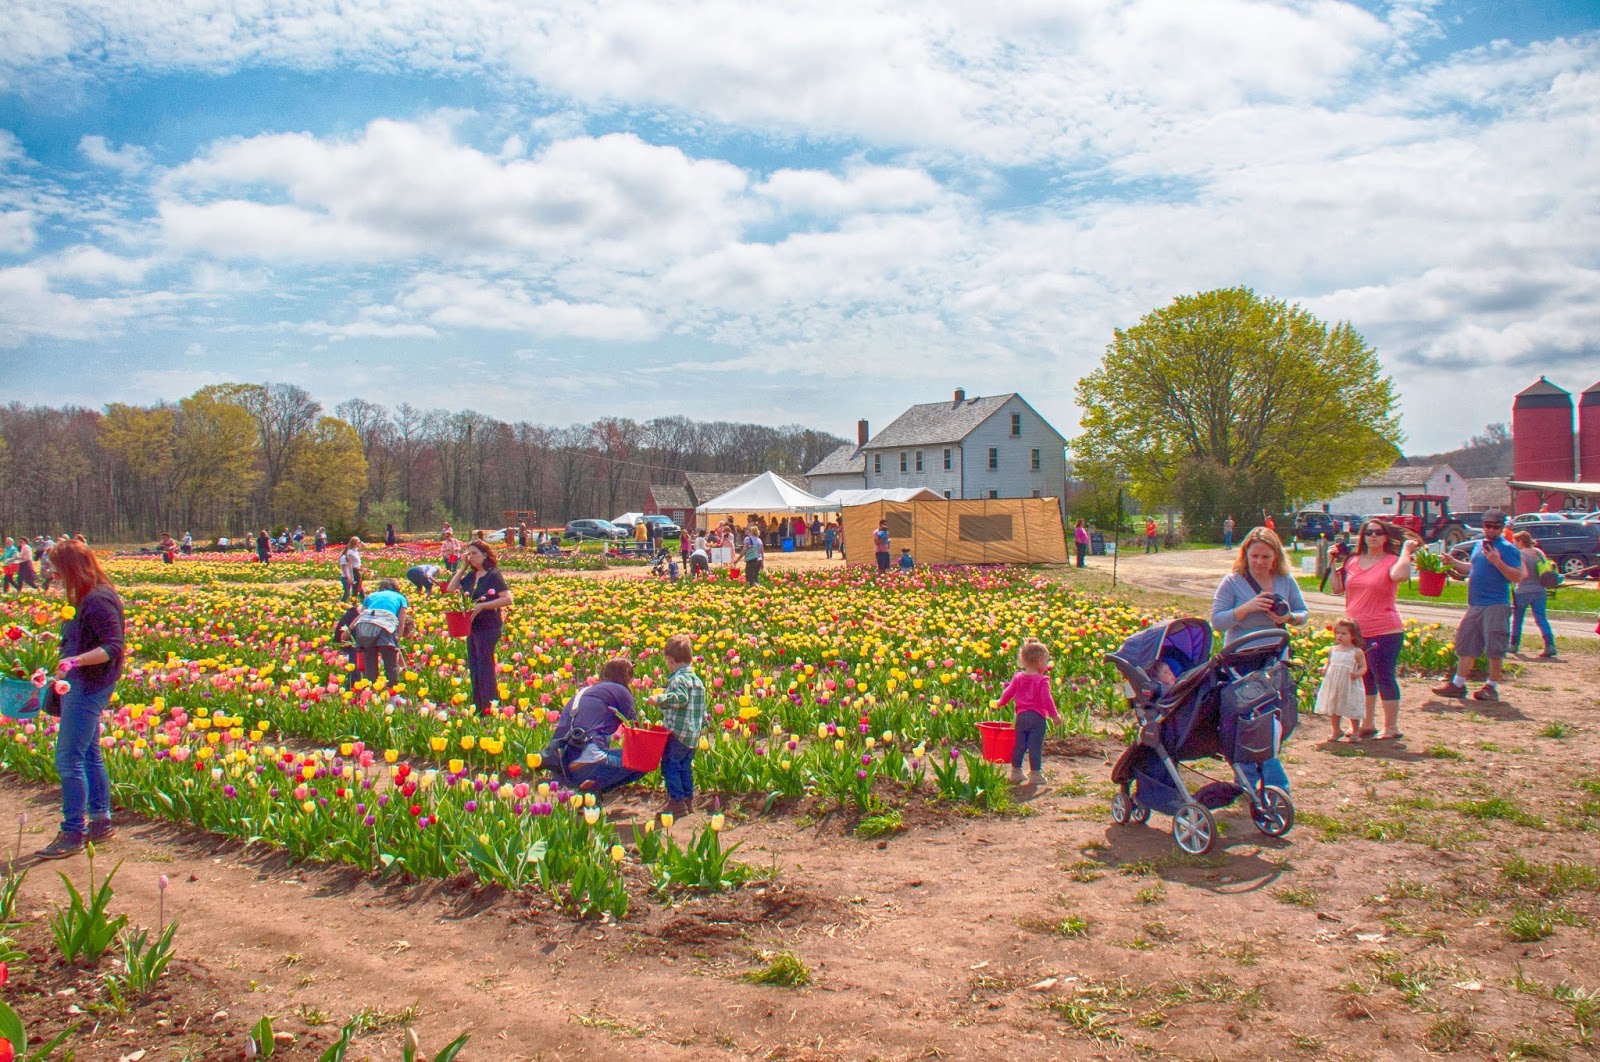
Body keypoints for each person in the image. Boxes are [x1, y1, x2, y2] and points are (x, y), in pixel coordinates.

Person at [37, 539, 125, 859]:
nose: (54, 575)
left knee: (68, 757)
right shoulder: (84, 597)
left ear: (72, 568)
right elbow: (82, 638)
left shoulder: (99, 599)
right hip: (79, 682)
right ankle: (100, 823)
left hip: (89, 685)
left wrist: (74, 662)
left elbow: (113, 647)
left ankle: (73, 831)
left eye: (58, 569)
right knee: (88, 753)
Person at [1211, 526, 1307, 791]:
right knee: (1251, 719)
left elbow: (1303, 612)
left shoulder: (1285, 581)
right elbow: (1217, 621)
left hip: (1275, 657)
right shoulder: (1232, 582)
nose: (1260, 562)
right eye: (1255, 556)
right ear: (1245, 555)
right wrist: (1246, 609)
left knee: (1275, 719)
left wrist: (1288, 618)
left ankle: (1263, 775)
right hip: (1242, 659)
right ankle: (1254, 777)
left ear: (1275, 556)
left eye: (1266, 557)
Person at [1326, 519, 1418, 740]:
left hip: (1385, 629)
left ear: (1386, 537)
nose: (1373, 536)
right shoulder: (1353, 561)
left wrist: (1406, 550)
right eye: (1368, 533)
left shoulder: (1392, 561)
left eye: (1378, 532)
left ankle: (1391, 726)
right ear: (1363, 537)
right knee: (1362, 678)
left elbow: (1401, 575)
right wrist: (1330, 563)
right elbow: (1337, 588)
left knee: (1383, 675)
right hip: (1356, 631)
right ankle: (1367, 723)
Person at [1431, 510, 1523, 703]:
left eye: (1495, 526)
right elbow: (1472, 569)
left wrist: (1498, 562)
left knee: (1494, 646)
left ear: (1502, 526)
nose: (1490, 530)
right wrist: (1454, 562)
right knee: (1466, 644)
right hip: (1476, 603)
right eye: (1487, 525)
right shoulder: (1478, 545)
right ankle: (1458, 684)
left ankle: (1491, 686)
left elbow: (1517, 576)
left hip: (1496, 603)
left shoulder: (1508, 548)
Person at [544, 657, 643, 794]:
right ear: (627, 677)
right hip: (590, 765)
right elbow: (636, 730)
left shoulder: (583, 693)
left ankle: (588, 792)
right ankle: (593, 789)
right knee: (643, 761)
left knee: (610, 754)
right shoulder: (621, 691)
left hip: (561, 770)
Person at [448, 541, 512, 714]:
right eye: (469, 554)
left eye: (475, 553)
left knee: (485, 666)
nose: (471, 557)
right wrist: (462, 567)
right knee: (475, 666)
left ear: (485, 555)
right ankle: (478, 705)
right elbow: (451, 588)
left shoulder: (493, 575)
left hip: (489, 626)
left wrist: (483, 606)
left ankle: (490, 705)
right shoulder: (471, 576)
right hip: (472, 627)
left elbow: (507, 599)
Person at [649, 634, 706, 816]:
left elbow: (680, 699)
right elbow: (701, 707)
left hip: (678, 734)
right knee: (684, 766)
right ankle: (688, 800)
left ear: (670, 660)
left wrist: (659, 699)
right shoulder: (697, 680)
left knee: (669, 765)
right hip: (693, 735)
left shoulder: (678, 680)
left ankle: (677, 801)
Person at [998, 637, 1060, 786]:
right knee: (1034, 746)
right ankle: (1035, 774)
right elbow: (1047, 699)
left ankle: (1015, 771)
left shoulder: (1018, 677)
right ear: (1040, 660)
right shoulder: (1042, 680)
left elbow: (1008, 692)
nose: (1047, 664)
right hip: (1037, 718)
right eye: (1046, 661)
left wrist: (1001, 702)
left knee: (1020, 745)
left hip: (1021, 717)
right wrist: (1054, 716)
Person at [1315, 619, 1368, 741]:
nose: (1339, 636)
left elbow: (1363, 667)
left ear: (1353, 636)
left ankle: (1355, 731)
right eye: (1337, 633)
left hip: (1350, 683)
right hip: (1334, 683)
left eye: (1344, 633)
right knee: (1334, 705)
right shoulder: (1333, 649)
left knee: (1352, 705)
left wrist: (1357, 674)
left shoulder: (1356, 651)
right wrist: (1324, 669)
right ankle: (1336, 730)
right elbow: (1329, 663)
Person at [353, 578, 410, 685]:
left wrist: (350, 630)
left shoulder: (371, 596)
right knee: (390, 663)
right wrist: (397, 639)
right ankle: (393, 691)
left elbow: (362, 615)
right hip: (385, 626)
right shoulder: (400, 598)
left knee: (370, 665)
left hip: (365, 628)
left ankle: (372, 692)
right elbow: (401, 622)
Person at [1511, 530, 1558, 660]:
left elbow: (1524, 574)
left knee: (1518, 619)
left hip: (1523, 591)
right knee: (1541, 618)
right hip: (1539, 590)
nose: (1513, 544)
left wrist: (1514, 578)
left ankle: (1514, 644)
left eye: (1514, 541)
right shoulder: (1539, 552)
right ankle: (1550, 645)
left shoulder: (1519, 554)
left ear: (1521, 542)